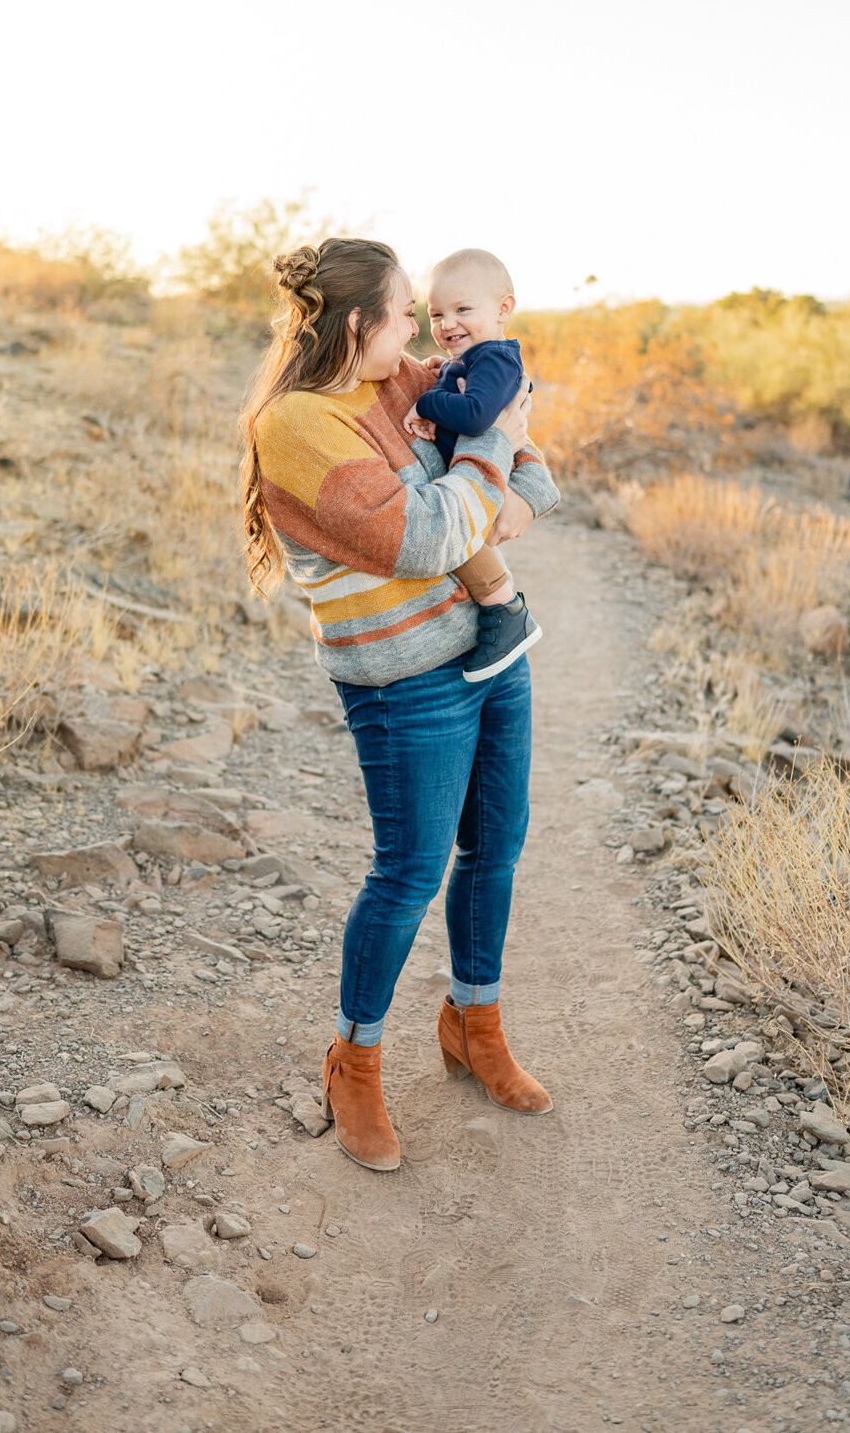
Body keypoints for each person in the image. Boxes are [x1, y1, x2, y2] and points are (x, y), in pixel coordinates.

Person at [239, 235, 560, 1172]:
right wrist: (488, 465)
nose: (424, 329)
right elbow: (426, 536)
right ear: (358, 325)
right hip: (404, 680)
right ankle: (356, 1059)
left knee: (496, 848)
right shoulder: (297, 426)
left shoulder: (401, 386)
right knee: (410, 873)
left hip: (496, 649)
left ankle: (475, 1024)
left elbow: (533, 466)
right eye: (405, 313)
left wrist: (498, 486)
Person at [404, 247, 542, 681]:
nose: (447, 324)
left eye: (463, 309)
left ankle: (505, 611)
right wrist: (441, 371)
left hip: (481, 476)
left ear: (504, 309)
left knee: (464, 545)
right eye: (436, 314)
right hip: (465, 474)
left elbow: (478, 414)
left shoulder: (497, 359)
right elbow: (463, 384)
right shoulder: (476, 358)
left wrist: (428, 400)